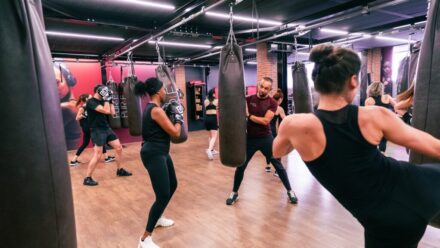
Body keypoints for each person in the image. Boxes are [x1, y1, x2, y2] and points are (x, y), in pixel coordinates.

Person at [273, 44, 440, 248]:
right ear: (353, 81)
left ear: (316, 82)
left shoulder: (294, 125)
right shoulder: (373, 116)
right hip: (422, 188)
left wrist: (294, 138)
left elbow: (277, 151)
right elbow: (436, 148)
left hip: (382, 223)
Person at [226, 77, 298, 205]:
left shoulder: (272, 103)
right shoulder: (249, 99)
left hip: (265, 138)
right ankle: (234, 193)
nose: (263, 90)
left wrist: (248, 115)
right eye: (262, 86)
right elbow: (235, 106)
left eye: (266, 88)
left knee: (278, 165)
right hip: (250, 139)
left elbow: (265, 121)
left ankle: (290, 191)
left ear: (270, 90)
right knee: (241, 167)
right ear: (258, 85)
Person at [134, 78, 184, 248]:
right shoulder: (156, 111)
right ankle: (144, 239)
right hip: (154, 153)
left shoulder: (155, 109)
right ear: (157, 91)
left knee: (173, 184)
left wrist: (172, 113)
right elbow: (176, 133)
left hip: (161, 152)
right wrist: (179, 117)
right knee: (162, 194)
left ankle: (158, 217)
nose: (165, 92)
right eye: (163, 89)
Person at [83, 85, 132, 186]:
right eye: (104, 91)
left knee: (118, 148)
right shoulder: (91, 102)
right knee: (98, 154)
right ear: (98, 91)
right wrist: (106, 99)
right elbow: (105, 111)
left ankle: (119, 170)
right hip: (97, 130)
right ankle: (87, 178)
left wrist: (110, 100)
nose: (105, 92)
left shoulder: (103, 101)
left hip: (106, 128)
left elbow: (112, 112)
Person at [69, 94, 115, 166]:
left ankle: (73, 160)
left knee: (90, 143)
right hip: (88, 128)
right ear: (87, 99)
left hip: (90, 127)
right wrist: (83, 115)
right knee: (98, 142)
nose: (92, 99)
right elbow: (77, 118)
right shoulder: (83, 108)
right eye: (90, 97)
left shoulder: (91, 106)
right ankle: (106, 157)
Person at [54, 62, 81, 150]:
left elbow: (72, 106)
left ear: (69, 81)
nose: (53, 87)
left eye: (57, 82)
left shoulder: (70, 108)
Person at [364, 82, 395, 153]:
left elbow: (367, 115)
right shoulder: (387, 97)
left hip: (374, 123)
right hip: (385, 122)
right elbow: (397, 106)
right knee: (383, 141)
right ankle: (382, 155)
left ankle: (373, 156)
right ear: (381, 89)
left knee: (373, 140)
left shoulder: (369, 100)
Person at [265, 89, 286, 176]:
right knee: (278, 150)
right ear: (280, 99)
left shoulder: (267, 106)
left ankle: (268, 166)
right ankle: (277, 171)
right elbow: (285, 119)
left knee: (267, 148)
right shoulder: (279, 108)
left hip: (265, 131)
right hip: (273, 132)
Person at [204, 88, 219, 160]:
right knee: (214, 136)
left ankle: (212, 150)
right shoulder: (216, 101)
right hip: (213, 118)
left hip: (207, 118)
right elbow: (218, 108)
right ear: (213, 94)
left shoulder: (205, 101)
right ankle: (209, 150)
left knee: (210, 136)